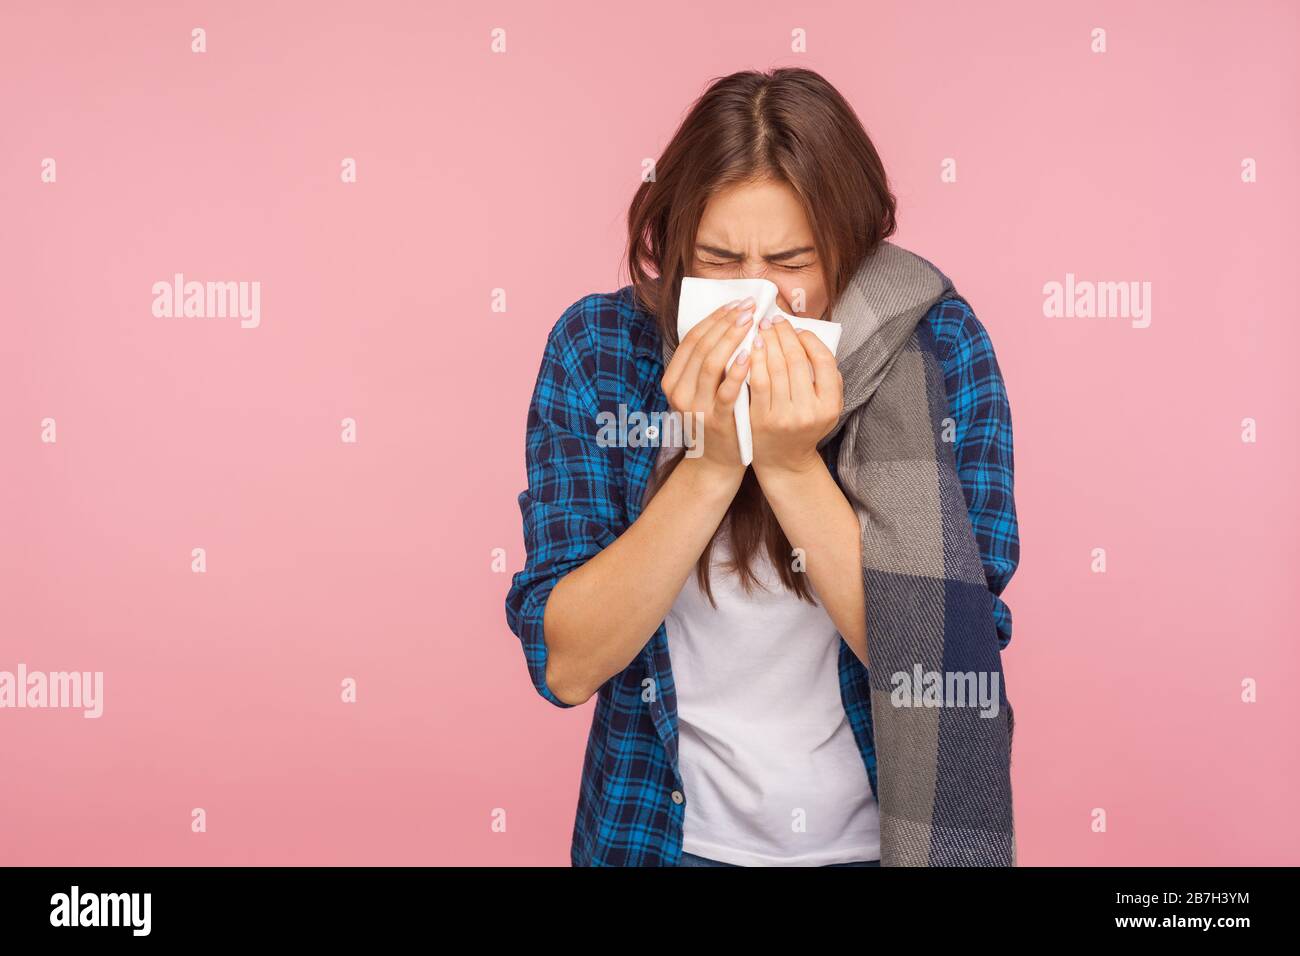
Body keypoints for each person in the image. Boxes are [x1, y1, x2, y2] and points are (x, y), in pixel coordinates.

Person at [506, 67, 1019, 867]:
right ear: (672, 244)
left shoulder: (938, 350)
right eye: (717, 259)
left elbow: (950, 668)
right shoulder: (598, 350)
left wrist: (788, 467)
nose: (753, 297)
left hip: (875, 846)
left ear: (849, 255)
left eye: (789, 262)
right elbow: (567, 664)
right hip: (657, 843)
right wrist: (712, 467)